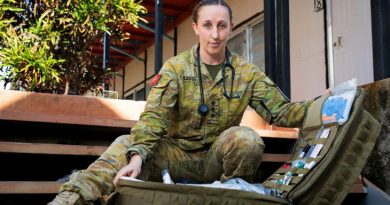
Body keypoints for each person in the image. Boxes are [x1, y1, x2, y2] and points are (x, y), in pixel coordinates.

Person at [48, 0, 328, 204]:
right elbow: (153, 117)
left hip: (214, 160)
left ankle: (228, 197)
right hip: (175, 156)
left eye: (221, 26)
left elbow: (282, 112)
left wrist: (322, 104)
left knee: (247, 139)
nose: (214, 34)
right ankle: (71, 198)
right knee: (124, 144)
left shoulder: (247, 73)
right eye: (207, 25)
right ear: (196, 27)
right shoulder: (176, 68)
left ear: (231, 27)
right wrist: (137, 157)